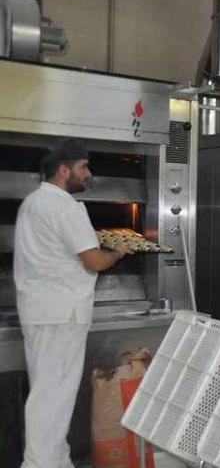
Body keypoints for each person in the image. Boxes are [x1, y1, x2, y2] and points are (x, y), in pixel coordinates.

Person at [14, 139, 132, 468]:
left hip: (40, 310)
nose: (88, 174)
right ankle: (40, 464)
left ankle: (56, 461)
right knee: (53, 397)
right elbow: (93, 260)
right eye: (83, 167)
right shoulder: (64, 206)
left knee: (47, 392)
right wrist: (120, 252)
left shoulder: (33, 202)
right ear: (64, 170)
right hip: (62, 312)